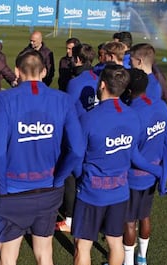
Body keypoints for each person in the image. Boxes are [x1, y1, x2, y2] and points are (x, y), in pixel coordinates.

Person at [55, 64, 161, 265]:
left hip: (92, 192)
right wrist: (158, 171)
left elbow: (76, 155)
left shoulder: (89, 118)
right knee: (115, 241)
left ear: (101, 85)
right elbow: (133, 152)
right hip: (120, 190)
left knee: (83, 244)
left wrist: (72, 177)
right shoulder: (133, 115)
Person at [0, 50, 84, 265]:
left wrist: (2, 185)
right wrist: (59, 179)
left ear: (17, 72)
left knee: (8, 258)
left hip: (13, 190)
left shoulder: (5, 98)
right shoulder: (62, 99)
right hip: (47, 189)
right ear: (44, 72)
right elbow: (77, 150)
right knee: (44, 252)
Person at [111, 68, 167, 265]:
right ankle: (142, 259)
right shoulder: (160, 106)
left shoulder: (132, 114)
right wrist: (162, 175)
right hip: (152, 177)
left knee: (129, 221)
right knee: (145, 215)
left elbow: (133, 154)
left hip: (134, 177)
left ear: (128, 89)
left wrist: (155, 170)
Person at [56, 43, 98, 233]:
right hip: (94, 132)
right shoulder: (98, 78)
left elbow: (68, 110)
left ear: (78, 59)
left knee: (71, 176)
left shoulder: (75, 81)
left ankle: (70, 218)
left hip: (78, 133)